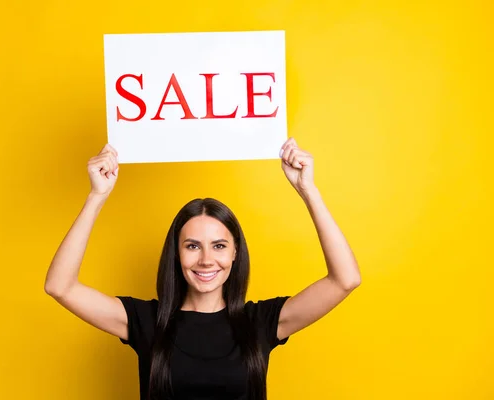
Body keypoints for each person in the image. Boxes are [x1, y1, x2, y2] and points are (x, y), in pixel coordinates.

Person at [44, 137, 361, 400]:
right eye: (193, 246)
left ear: (235, 252)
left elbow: (345, 280)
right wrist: (97, 195)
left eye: (219, 246)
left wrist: (309, 191)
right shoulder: (146, 323)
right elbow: (60, 286)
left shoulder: (260, 323)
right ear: (176, 253)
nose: (207, 260)